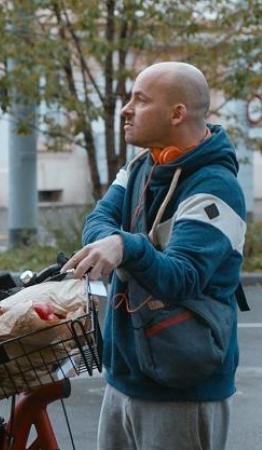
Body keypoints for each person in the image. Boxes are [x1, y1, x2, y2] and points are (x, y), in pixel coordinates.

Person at [61, 61, 246, 450]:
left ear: (177, 113)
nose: (125, 109)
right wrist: (115, 241)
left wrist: (126, 245)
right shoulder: (142, 164)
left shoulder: (216, 186)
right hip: (125, 376)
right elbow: (99, 219)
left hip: (183, 387)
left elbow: (183, 277)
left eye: (139, 100)